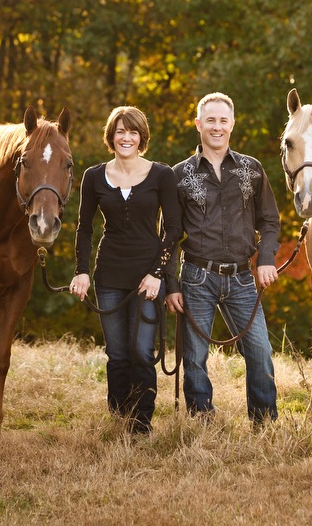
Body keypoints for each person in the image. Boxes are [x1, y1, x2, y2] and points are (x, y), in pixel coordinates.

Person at [165, 92, 281, 425]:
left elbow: (270, 221)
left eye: (223, 120)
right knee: (195, 357)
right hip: (196, 277)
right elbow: (169, 235)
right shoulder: (179, 174)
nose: (217, 127)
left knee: (260, 351)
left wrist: (266, 258)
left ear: (232, 124)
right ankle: (203, 422)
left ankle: (265, 423)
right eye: (210, 120)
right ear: (199, 124)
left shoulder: (252, 169)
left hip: (243, 277)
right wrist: (171, 284)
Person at [69, 106, 182, 434]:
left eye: (132, 132)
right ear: (111, 136)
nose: (126, 137)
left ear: (141, 137)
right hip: (109, 276)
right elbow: (84, 228)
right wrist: (81, 271)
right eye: (120, 131)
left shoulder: (162, 175)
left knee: (141, 352)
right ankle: (119, 416)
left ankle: (141, 424)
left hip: (148, 276)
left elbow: (173, 230)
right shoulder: (93, 176)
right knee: (117, 353)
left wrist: (157, 275)